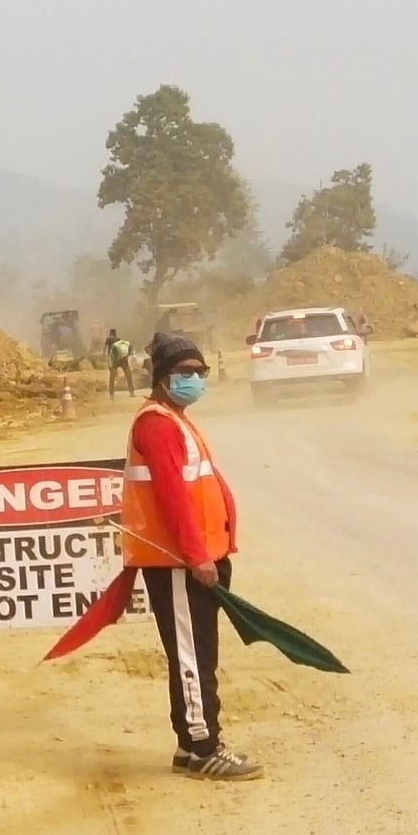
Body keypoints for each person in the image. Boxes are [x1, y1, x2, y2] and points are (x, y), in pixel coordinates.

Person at [121, 331, 262, 781]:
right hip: (178, 562)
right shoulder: (158, 424)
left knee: (200, 652)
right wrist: (197, 556)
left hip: (195, 558)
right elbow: (173, 499)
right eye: (185, 373)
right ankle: (203, 746)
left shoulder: (174, 419)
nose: (195, 380)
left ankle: (189, 744)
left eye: (199, 373)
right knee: (191, 656)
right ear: (163, 378)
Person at [104, 328, 135, 397]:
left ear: (110, 333)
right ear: (115, 333)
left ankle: (111, 394)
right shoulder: (119, 339)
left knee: (112, 376)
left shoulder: (108, 339)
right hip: (122, 359)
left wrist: (104, 356)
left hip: (113, 359)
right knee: (128, 374)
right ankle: (131, 392)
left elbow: (105, 348)